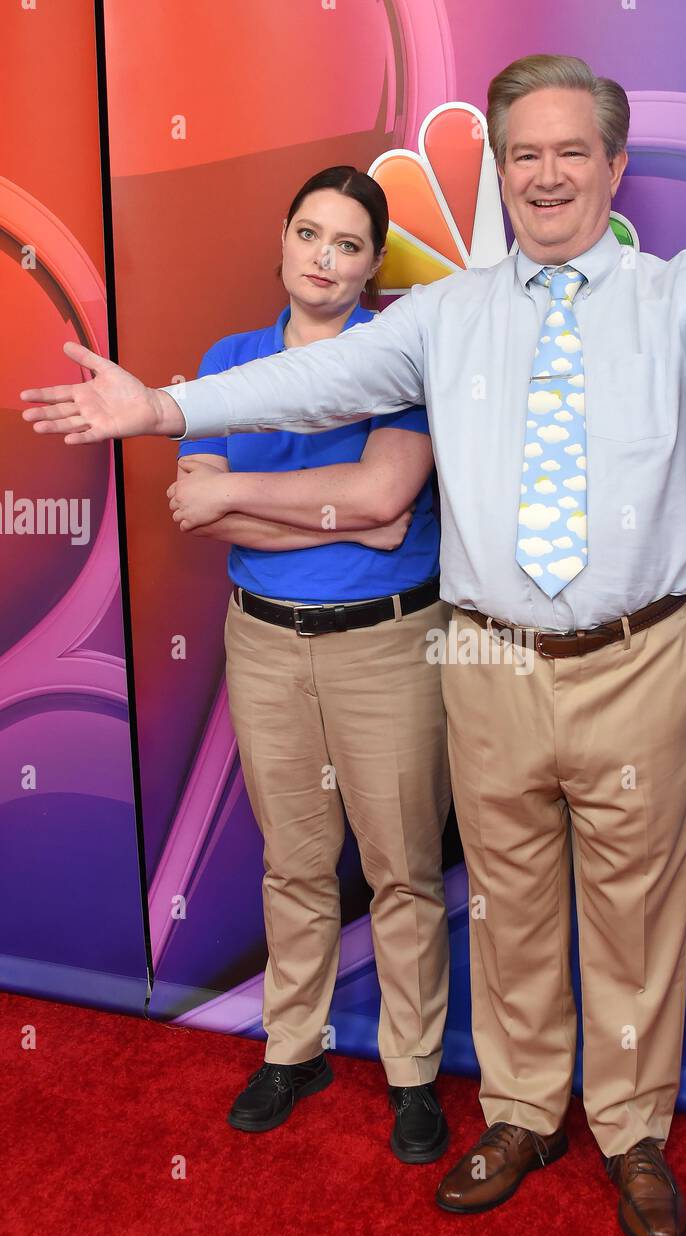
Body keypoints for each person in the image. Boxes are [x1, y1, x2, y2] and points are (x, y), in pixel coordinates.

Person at [22, 55, 686, 1236]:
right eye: (523, 154)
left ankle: (631, 1129)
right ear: (500, 171)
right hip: (489, 662)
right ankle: (517, 1108)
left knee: (636, 915)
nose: (545, 175)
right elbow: (309, 379)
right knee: (505, 909)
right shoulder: (443, 317)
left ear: (609, 165)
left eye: (569, 152)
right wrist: (163, 407)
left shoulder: (677, 294)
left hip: (637, 662)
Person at [164, 165, 454, 1163]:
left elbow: (384, 507)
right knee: (291, 859)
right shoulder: (229, 358)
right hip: (266, 640)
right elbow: (194, 505)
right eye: (306, 234)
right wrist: (331, 511)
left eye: (344, 244)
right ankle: (294, 1047)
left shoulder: (398, 353)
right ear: (281, 242)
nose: (321, 258)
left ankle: (413, 1074)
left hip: (387, 641)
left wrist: (250, 503)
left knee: (403, 870)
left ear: (374, 265)